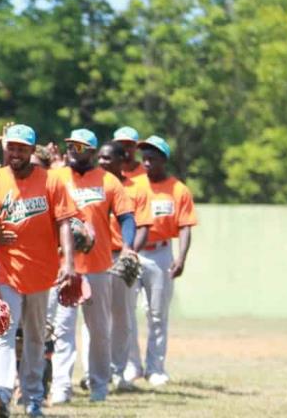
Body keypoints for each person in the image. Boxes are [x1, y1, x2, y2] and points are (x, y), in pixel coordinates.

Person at [0, 124, 78, 418]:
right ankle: (0, 391)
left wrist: (70, 263)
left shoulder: (50, 181)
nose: (16, 153)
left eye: (22, 148)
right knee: (3, 332)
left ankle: (33, 397)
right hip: (7, 271)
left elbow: (64, 222)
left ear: (31, 151)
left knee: (36, 337)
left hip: (42, 272)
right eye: (12, 147)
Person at [47, 129, 136, 404]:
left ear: (94, 152)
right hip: (63, 266)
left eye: (82, 147)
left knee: (99, 330)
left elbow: (127, 217)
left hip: (98, 266)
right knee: (62, 329)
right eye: (72, 145)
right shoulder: (56, 176)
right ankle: (61, 386)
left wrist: (128, 246)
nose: (75, 149)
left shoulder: (108, 181)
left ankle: (99, 385)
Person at [128, 136, 197, 387]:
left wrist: (181, 257)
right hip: (134, 253)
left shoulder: (178, 189)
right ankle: (132, 365)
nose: (146, 162)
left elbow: (186, 226)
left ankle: (155, 368)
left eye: (152, 158)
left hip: (160, 253)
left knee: (156, 313)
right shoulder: (133, 186)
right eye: (144, 157)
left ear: (163, 161)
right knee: (126, 311)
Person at [94, 140, 151, 391]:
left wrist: (130, 252)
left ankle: (118, 371)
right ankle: (94, 371)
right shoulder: (92, 183)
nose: (103, 162)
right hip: (96, 257)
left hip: (120, 257)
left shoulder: (135, 187)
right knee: (95, 319)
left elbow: (141, 224)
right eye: (101, 158)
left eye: (109, 158)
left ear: (122, 161)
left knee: (121, 316)